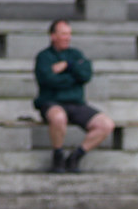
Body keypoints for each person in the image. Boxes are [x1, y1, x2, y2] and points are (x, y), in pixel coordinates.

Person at [33, 19, 115, 173]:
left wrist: (67, 66)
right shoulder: (44, 57)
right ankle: (58, 156)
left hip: (76, 104)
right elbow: (48, 80)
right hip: (52, 102)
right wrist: (73, 78)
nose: (67, 38)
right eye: (63, 34)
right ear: (53, 36)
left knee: (106, 124)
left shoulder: (76, 54)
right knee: (58, 117)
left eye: (69, 34)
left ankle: (76, 156)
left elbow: (86, 75)